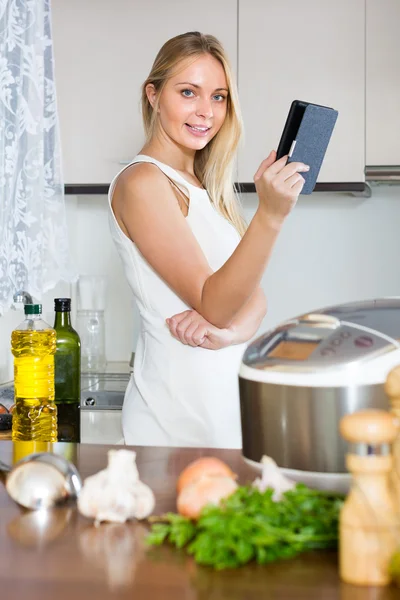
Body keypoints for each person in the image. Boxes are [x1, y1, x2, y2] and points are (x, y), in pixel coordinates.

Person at [108, 32, 309, 448]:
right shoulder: (142, 181)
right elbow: (218, 303)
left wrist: (229, 334)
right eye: (188, 92)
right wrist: (270, 215)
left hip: (223, 412)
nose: (206, 112)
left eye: (218, 97)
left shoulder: (203, 188)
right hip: (174, 419)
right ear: (153, 95)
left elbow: (253, 299)